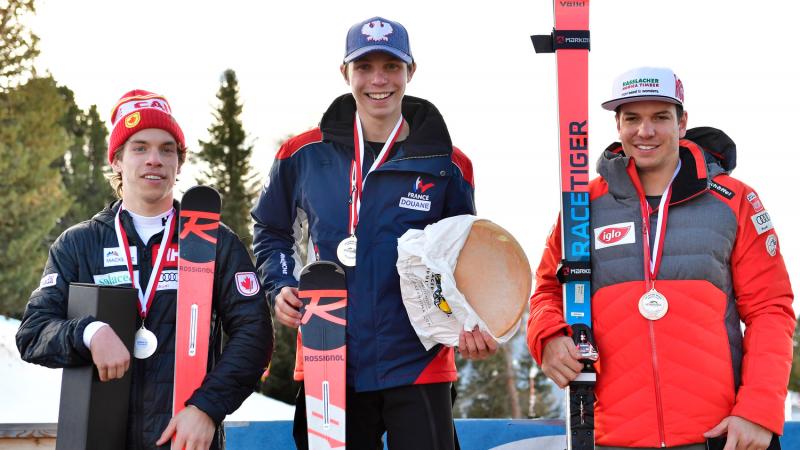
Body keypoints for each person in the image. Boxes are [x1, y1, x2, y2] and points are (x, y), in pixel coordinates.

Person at [251, 16, 497, 450]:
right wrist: (281, 285)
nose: (378, 80)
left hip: (418, 361)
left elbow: (465, 258)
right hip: (329, 354)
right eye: (364, 67)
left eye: (391, 66)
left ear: (411, 72)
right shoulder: (302, 153)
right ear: (345, 73)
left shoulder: (449, 164)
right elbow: (270, 230)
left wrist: (473, 323)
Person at [527, 67, 795, 450]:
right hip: (610, 436)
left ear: (682, 122)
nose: (645, 131)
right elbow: (548, 291)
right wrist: (548, 336)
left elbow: (771, 310)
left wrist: (757, 410)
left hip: (718, 434)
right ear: (617, 125)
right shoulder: (583, 205)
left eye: (660, 117)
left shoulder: (734, 201)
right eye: (632, 118)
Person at [16, 89, 273, 450]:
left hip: (185, 436)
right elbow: (33, 332)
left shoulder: (214, 240)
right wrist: (89, 333)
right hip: (100, 435)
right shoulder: (79, 243)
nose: (155, 159)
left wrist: (207, 408)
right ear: (117, 160)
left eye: (167, 149)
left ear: (179, 164)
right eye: (140, 147)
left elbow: (254, 332)